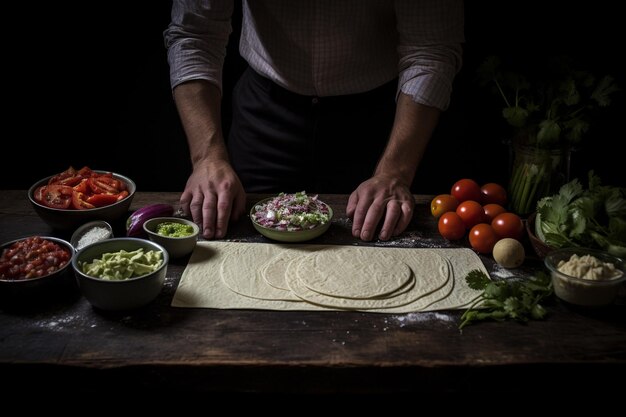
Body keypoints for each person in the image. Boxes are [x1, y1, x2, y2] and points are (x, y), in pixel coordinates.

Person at [164, 0, 464, 241]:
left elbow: (430, 51)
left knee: (378, 237)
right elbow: (195, 35)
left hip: (379, 119)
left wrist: (395, 172)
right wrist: (206, 158)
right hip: (265, 113)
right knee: (235, 235)